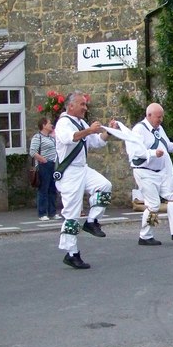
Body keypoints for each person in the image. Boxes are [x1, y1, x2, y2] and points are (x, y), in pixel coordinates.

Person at [54, 91, 118, 269]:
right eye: (82, 104)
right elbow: (70, 138)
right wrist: (89, 129)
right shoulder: (63, 123)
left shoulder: (80, 122)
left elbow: (96, 141)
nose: (85, 107)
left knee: (105, 186)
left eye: (85, 104)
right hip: (69, 173)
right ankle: (72, 253)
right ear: (71, 105)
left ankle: (91, 221)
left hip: (82, 169)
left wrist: (108, 131)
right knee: (72, 214)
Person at [130, 103, 173, 246]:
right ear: (149, 116)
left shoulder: (159, 129)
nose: (160, 120)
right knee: (153, 205)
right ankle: (145, 236)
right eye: (158, 117)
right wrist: (153, 153)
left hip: (161, 172)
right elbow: (135, 153)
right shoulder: (138, 130)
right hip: (144, 172)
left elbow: (168, 146)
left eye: (161, 117)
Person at [29, 117, 61, 221]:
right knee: (43, 189)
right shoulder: (38, 137)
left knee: (52, 189)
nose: (51, 125)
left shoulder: (51, 138)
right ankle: (42, 213)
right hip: (44, 166)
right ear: (43, 125)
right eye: (49, 123)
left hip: (53, 165)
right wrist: (43, 160)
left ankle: (52, 212)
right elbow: (33, 152)